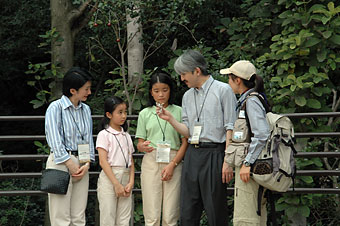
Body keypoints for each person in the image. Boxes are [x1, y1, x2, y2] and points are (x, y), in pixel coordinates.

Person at [157, 50, 237, 226]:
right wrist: (170, 119)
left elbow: (230, 127)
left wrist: (228, 161)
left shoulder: (223, 91)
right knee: (188, 210)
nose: (182, 79)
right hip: (193, 154)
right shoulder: (187, 96)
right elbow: (187, 131)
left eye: (184, 74)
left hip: (215, 154)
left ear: (197, 70)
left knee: (215, 209)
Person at [220, 60, 270, 226]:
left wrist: (247, 163)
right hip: (252, 167)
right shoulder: (249, 99)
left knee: (246, 217)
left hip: (249, 168)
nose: (228, 82)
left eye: (229, 78)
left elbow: (262, 133)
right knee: (255, 215)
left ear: (238, 80)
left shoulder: (251, 101)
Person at [135, 72, 188, 226]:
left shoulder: (178, 111)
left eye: (164, 90)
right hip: (151, 159)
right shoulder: (145, 113)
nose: (161, 94)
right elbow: (140, 143)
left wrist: (173, 164)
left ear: (170, 90)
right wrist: (142, 146)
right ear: (151, 92)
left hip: (174, 159)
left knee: (171, 213)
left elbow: (185, 142)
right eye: (156, 91)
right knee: (151, 213)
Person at [45, 67, 95, 226]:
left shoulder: (86, 109)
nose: (89, 92)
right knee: (60, 216)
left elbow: (88, 138)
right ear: (73, 90)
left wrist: (86, 164)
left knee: (79, 215)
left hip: (81, 163)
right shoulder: (55, 107)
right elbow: (53, 139)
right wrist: (69, 164)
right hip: (60, 162)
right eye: (86, 89)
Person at [96, 96, 135, 226]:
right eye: (120, 112)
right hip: (109, 177)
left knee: (124, 219)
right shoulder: (104, 134)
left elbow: (131, 160)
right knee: (108, 217)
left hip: (125, 175)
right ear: (109, 114)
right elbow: (103, 161)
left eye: (125, 111)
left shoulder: (127, 135)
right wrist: (116, 184)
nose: (124, 115)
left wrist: (131, 181)